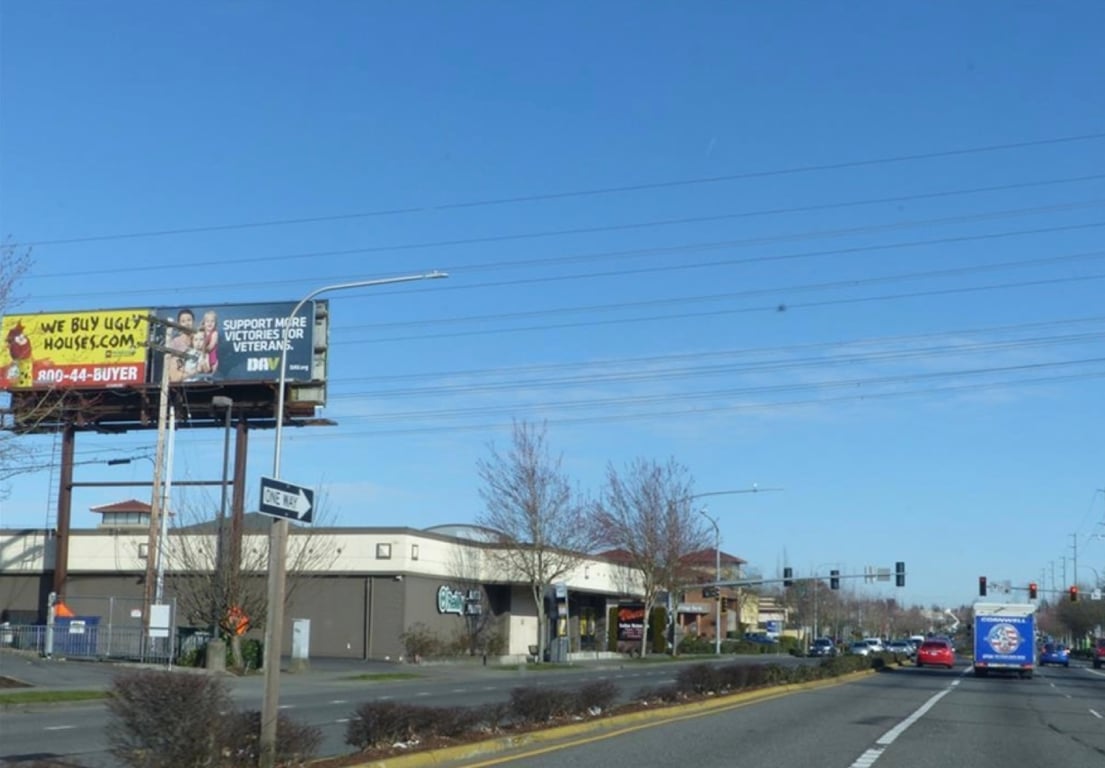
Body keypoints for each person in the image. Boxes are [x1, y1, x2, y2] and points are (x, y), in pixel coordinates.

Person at [167, 308, 194, 383]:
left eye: (189, 320)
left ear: (193, 322)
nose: (187, 323)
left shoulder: (198, 339)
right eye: (183, 321)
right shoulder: (175, 343)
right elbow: (171, 365)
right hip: (180, 381)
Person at [200, 309, 219, 375]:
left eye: (212, 321)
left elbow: (211, 346)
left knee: (212, 374)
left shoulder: (214, 333)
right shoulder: (202, 333)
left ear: (215, 323)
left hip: (212, 357)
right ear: (204, 323)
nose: (210, 323)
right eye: (207, 321)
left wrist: (202, 350)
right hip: (203, 356)